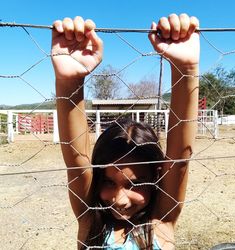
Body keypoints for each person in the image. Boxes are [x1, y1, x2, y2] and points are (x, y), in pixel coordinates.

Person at [51, 13, 200, 250]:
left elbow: (180, 159)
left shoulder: (161, 221)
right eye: (108, 182)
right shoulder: (92, 223)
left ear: (157, 177)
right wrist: (69, 80)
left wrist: (186, 67)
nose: (119, 200)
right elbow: (76, 162)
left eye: (136, 183)